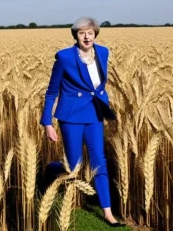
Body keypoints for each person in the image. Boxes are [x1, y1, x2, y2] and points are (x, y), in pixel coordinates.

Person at [40, 16, 125, 227]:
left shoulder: (103, 52)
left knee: (99, 161)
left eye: (90, 33)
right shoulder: (64, 57)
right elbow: (52, 92)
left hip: (94, 114)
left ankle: (108, 213)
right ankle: (52, 170)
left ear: (95, 34)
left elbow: (98, 85)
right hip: (71, 116)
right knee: (74, 165)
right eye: (81, 33)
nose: (86, 37)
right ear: (75, 35)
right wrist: (47, 122)